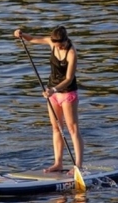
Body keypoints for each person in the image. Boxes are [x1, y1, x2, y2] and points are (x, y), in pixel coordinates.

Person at [13, 25, 85, 174]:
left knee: (72, 128)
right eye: (56, 46)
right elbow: (32, 39)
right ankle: (58, 163)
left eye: (60, 46)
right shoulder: (52, 42)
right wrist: (21, 34)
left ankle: (78, 165)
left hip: (67, 93)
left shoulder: (72, 53)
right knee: (56, 128)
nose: (58, 48)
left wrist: (54, 89)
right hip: (52, 93)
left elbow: (69, 78)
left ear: (65, 41)